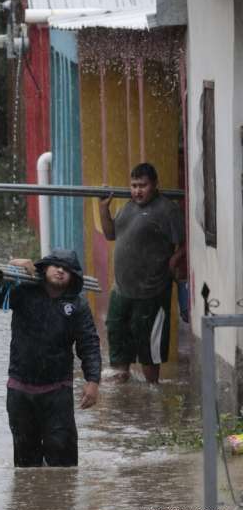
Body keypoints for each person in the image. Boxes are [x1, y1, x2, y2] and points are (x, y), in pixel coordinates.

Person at [0, 249, 101, 467]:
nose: (60, 271)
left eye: (66, 269)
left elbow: (89, 344)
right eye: (56, 265)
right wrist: (11, 273)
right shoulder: (24, 292)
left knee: (64, 461)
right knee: (25, 463)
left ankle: (61, 500)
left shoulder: (77, 305)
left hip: (57, 390)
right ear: (44, 268)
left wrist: (93, 381)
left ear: (73, 276)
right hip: (20, 389)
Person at [99, 162, 186, 384]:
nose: (137, 190)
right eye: (134, 185)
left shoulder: (167, 210)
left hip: (152, 292)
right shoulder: (127, 206)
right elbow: (110, 235)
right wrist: (103, 209)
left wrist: (174, 260)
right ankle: (125, 404)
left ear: (155, 185)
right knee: (118, 349)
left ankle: (152, 401)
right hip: (122, 291)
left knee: (149, 353)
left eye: (143, 185)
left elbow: (186, 242)